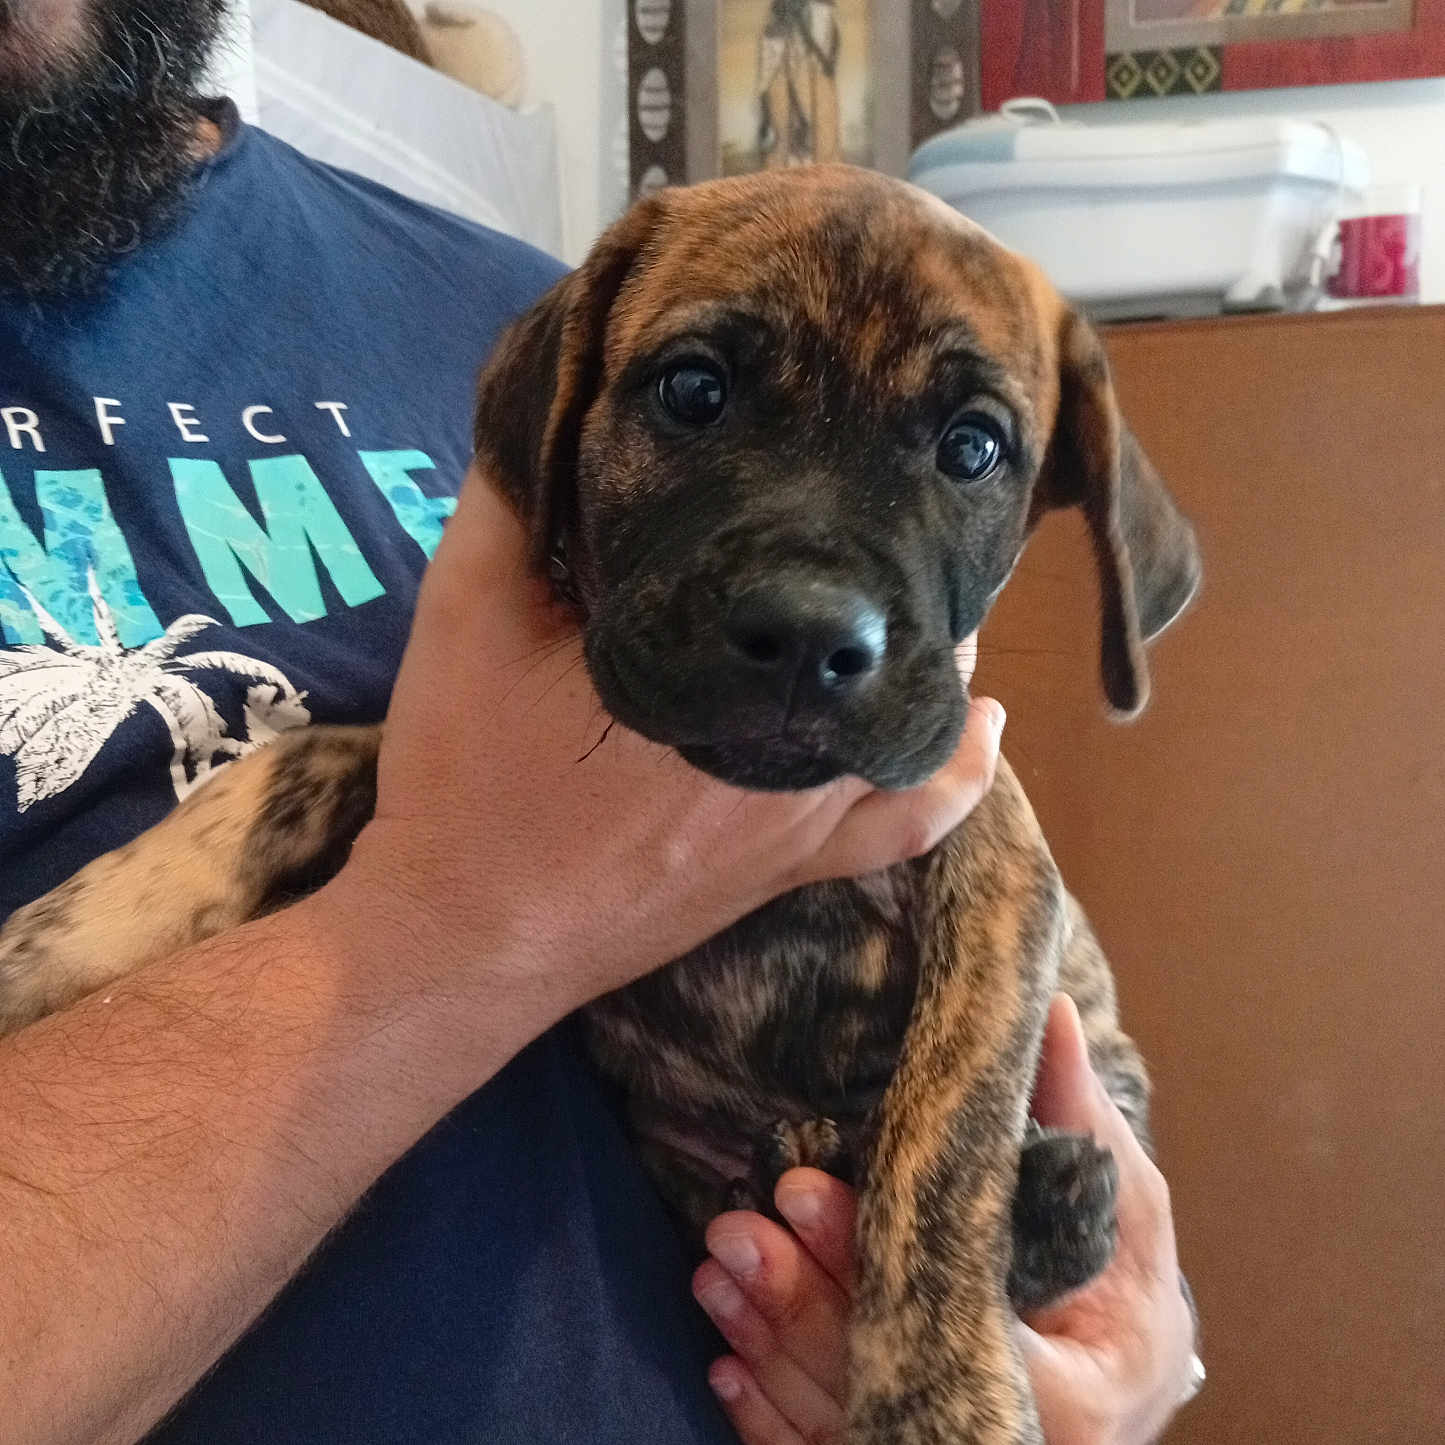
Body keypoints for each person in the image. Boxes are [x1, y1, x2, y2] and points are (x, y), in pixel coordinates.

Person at [0, 3, 1195, 1441]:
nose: (819, 602)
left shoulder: (525, 300)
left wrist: (1103, 1377)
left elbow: (996, 910)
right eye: (697, 396)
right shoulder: (602, 332)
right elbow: (446, 810)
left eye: (965, 446)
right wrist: (456, 916)